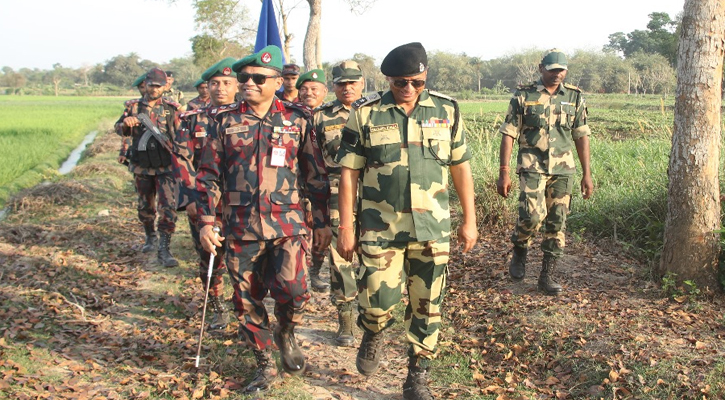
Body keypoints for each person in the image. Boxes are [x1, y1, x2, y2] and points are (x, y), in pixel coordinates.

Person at [336, 42, 478, 400]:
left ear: (425, 75)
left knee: (428, 305)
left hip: (432, 229)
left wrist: (469, 220)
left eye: (416, 82)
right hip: (379, 228)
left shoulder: (447, 110)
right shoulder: (366, 114)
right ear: (388, 80)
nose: (409, 89)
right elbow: (349, 173)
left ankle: (418, 374)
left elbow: (461, 167)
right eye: (401, 83)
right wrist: (346, 227)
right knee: (378, 301)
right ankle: (373, 331)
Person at [195, 45, 331, 393]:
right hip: (239, 226)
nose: (249, 83)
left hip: (287, 224)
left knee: (294, 289)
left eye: (258, 78)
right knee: (246, 301)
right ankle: (264, 364)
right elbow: (208, 175)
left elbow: (315, 175)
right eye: (244, 78)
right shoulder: (223, 121)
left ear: (276, 82)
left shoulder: (298, 119)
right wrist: (207, 223)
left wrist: (322, 222)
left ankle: (285, 330)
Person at [496, 48, 593, 296]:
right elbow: (509, 133)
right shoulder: (524, 95)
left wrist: (587, 174)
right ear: (541, 69)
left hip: (563, 169)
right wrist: (504, 171)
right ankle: (520, 247)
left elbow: (581, 135)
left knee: (557, 221)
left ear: (566, 71)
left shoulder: (574, 98)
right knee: (531, 215)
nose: (556, 75)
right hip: (531, 165)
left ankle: (546, 275)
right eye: (551, 70)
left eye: (560, 70)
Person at [172, 57, 239, 330]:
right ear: (206, 87)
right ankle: (216, 305)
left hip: (241, 202)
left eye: (226, 83)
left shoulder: (248, 117)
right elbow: (182, 159)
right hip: (205, 202)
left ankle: (243, 306)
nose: (220, 88)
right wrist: (189, 197)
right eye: (214, 83)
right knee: (210, 256)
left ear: (237, 86)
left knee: (243, 258)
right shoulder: (191, 120)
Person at [311, 60, 365, 347]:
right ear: (333, 86)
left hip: (374, 193)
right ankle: (345, 316)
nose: (347, 88)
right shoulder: (321, 117)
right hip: (335, 193)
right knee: (340, 256)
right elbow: (312, 161)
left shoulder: (377, 111)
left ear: (362, 83)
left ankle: (370, 314)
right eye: (342, 83)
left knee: (374, 256)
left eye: (353, 82)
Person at [117, 68, 181, 267]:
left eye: (158, 86)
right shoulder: (133, 107)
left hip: (166, 167)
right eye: (151, 85)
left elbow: (181, 135)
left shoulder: (172, 108)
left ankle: (164, 247)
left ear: (165, 87)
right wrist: (126, 125)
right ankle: (150, 236)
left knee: (168, 208)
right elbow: (118, 128)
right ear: (145, 84)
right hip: (142, 166)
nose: (154, 89)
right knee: (145, 207)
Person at [117, 74, 147, 166]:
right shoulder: (133, 107)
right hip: (139, 157)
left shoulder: (168, 107)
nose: (146, 90)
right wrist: (123, 152)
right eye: (142, 87)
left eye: (148, 86)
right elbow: (122, 132)